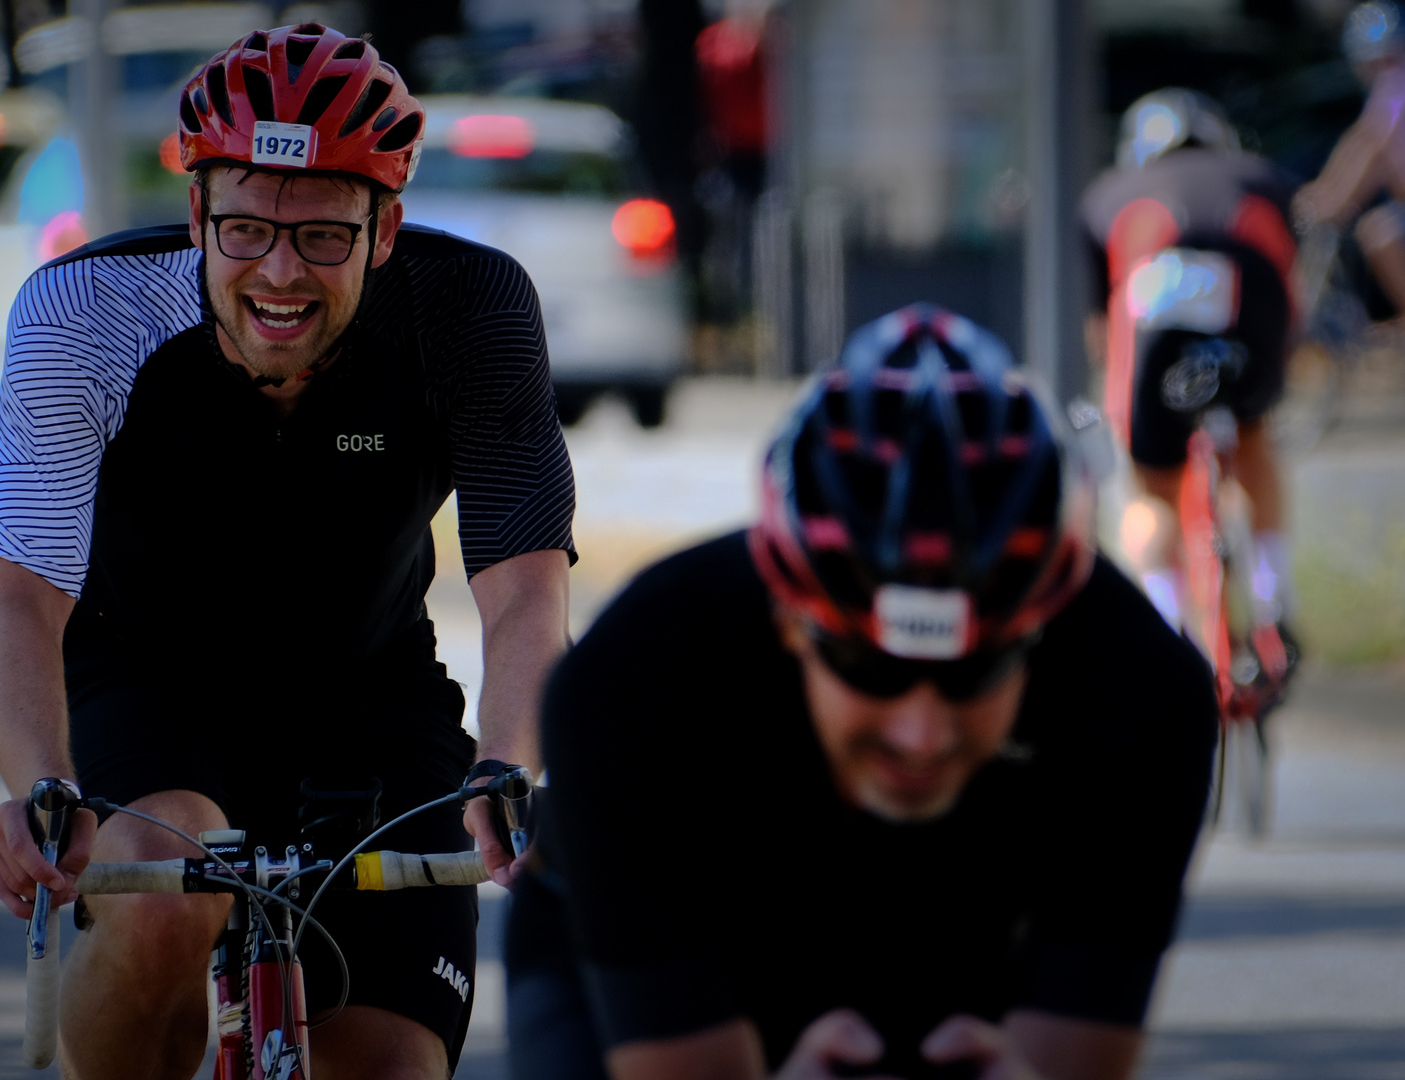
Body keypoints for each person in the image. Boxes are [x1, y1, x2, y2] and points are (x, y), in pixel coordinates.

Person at [0, 23, 575, 1080]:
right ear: (196, 214)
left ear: (385, 229)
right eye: (245, 229)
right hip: (144, 686)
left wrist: (506, 764)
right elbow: (21, 593)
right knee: (160, 889)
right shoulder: (86, 313)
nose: (280, 273)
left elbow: (525, 586)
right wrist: (43, 787)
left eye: (326, 237)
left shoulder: (470, 312)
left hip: (367, 691)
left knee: (387, 1067)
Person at [504, 305, 1218, 1080]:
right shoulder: (633, 682)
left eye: (972, 674)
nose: (921, 729)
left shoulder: (1145, 693)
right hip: (679, 940)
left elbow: (1070, 1056)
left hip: (966, 942)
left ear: (1039, 634)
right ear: (789, 622)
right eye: (872, 671)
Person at [1080, 88, 1299, 687]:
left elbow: (1104, 326)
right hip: (1251, 291)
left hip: (1156, 290)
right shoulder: (1260, 173)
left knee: (1151, 485)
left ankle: (1162, 625)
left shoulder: (1109, 192)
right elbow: (1290, 276)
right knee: (1252, 441)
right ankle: (1273, 604)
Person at [1296, 0, 1405, 321]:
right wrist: (1327, 189)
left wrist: (1336, 201)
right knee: (1382, 231)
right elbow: (1360, 140)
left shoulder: (1395, 85)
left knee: (1380, 233)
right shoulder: (1391, 87)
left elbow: (1373, 147)